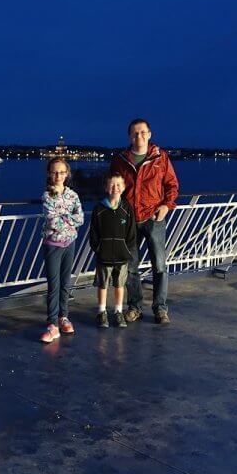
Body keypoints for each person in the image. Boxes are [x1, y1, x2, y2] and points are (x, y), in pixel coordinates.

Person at [110, 118, 179, 324]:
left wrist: (167, 206)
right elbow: (113, 187)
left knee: (159, 265)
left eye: (142, 132)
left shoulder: (160, 158)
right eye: (134, 133)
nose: (138, 136)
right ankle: (135, 307)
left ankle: (160, 308)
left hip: (154, 218)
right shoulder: (121, 160)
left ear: (149, 134)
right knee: (131, 267)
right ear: (129, 136)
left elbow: (172, 185)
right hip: (129, 220)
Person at [40, 158, 85, 343]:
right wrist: (69, 219)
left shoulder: (73, 195)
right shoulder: (47, 196)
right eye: (54, 172)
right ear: (49, 174)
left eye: (61, 172)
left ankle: (63, 316)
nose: (58, 175)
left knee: (66, 282)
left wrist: (64, 218)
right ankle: (52, 323)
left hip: (70, 243)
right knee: (54, 284)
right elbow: (52, 221)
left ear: (67, 174)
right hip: (52, 244)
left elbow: (81, 218)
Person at [89, 173, 137, 329]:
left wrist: (127, 250)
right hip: (104, 255)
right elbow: (94, 232)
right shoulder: (99, 209)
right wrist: (98, 248)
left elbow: (131, 233)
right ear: (106, 187)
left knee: (119, 285)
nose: (115, 188)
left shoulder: (127, 208)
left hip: (122, 256)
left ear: (123, 188)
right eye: (111, 184)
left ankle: (118, 311)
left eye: (118, 185)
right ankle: (101, 312)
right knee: (103, 285)